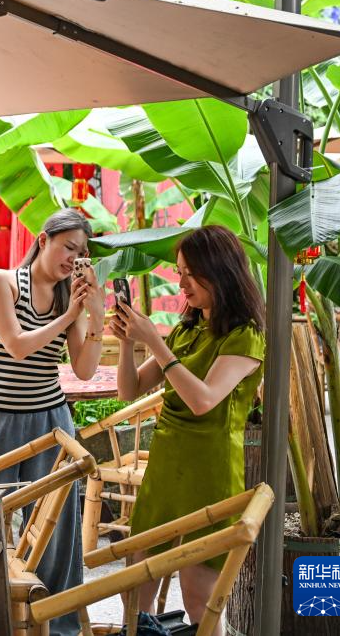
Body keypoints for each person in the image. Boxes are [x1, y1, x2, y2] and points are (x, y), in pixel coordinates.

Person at [111, 225, 265, 636]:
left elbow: (203, 400)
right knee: (134, 588)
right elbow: (129, 390)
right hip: (166, 466)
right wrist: (127, 342)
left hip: (209, 471)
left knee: (200, 597)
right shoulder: (186, 329)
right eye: (180, 273)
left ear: (221, 272)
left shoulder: (244, 336)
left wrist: (155, 343)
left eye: (191, 274)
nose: (182, 284)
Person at [0, 208, 105, 636]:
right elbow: (17, 346)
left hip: (50, 421)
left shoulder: (68, 297)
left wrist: (94, 317)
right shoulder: (1, 282)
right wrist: (70, 314)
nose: (73, 259)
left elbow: (84, 370)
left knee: (57, 531)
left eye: (80, 253)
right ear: (43, 240)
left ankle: (57, 626)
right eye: (68, 247)